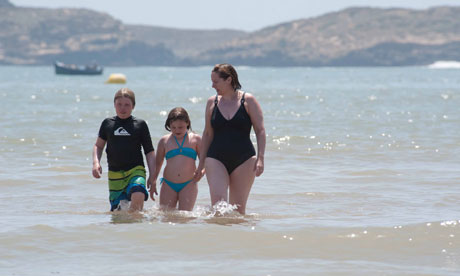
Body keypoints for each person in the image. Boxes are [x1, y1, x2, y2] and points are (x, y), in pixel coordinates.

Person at [194, 63, 266, 215]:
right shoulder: (211, 102)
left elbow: (260, 131)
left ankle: (236, 238)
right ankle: (218, 237)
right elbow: (207, 134)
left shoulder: (248, 100)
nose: (212, 86)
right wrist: (201, 163)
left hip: (244, 159)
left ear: (228, 80)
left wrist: (260, 158)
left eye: (216, 81)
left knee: (238, 211)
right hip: (215, 158)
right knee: (219, 208)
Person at [92, 88, 155, 212]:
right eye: (119, 104)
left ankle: (136, 225)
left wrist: (153, 175)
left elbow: (149, 152)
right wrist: (96, 162)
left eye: (127, 105)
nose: (123, 108)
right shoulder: (107, 123)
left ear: (133, 106)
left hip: (136, 170)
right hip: (115, 174)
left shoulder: (140, 124)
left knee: (138, 193)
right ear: (114, 105)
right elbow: (98, 146)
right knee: (118, 212)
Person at [150, 107, 202, 211]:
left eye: (180, 127)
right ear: (169, 125)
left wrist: (202, 172)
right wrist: (153, 180)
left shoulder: (196, 139)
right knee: (166, 216)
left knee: (185, 217)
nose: (177, 130)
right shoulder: (164, 141)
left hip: (189, 184)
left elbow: (205, 161)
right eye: (173, 127)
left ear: (187, 123)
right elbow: (158, 164)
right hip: (168, 184)